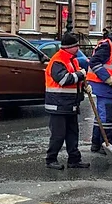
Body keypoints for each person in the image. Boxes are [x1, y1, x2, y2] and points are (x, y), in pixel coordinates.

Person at [45, 33, 92, 170]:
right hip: (58, 104)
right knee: (58, 135)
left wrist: (84, 87)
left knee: (72, 133)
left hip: (70, 104)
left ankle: (74, 160)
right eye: (76, 45)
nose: (78, 48)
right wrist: (80, 75)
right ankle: (51, 159)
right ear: (69, 47)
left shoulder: (73, 60)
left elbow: (75, 80)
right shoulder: (58, 61)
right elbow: (64, 80)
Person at [86, 25, 112, 156]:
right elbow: (94, 62)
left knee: (101, 116)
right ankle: (106, 144)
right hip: (103, 85)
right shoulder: (107, 46)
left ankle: (96, 144)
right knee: (106, 117)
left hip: (105, 86)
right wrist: (106, 77)